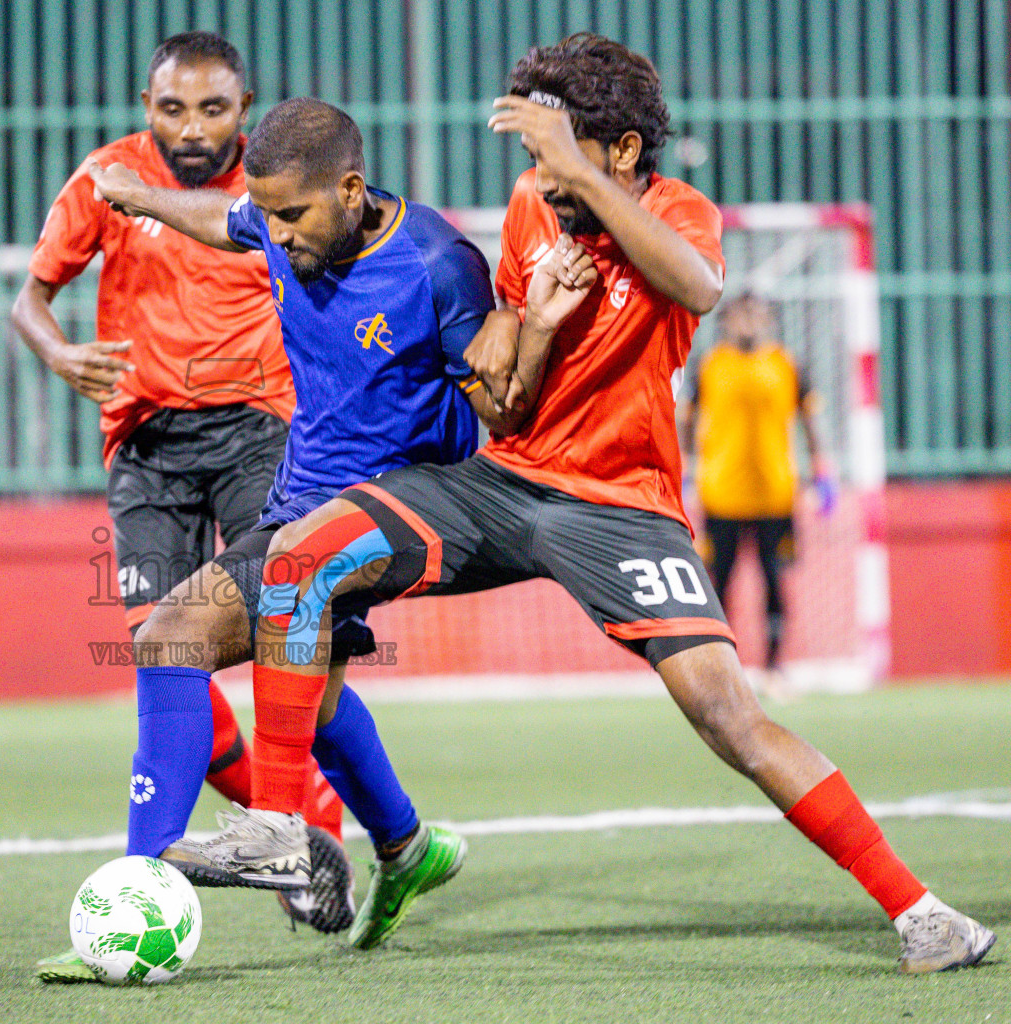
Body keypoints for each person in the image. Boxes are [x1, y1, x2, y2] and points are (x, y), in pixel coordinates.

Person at [177, 34, 995, 974]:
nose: (537, 176)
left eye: (555, 154)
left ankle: (922, 914)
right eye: (534, 157)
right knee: (296, 559)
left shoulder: (682, 213)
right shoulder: (534, 207)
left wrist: (577, 181)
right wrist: (530, 331)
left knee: (727, 715)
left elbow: (698, 285)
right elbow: (511, 394)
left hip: (620, 506)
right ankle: (282, 823)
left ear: (622, 152)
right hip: (503, 479)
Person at [85, 92, 518, 943]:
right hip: (296, 503)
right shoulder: (281, 228)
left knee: (180, 634)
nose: (276, 236)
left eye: (292, 215)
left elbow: (499, 413)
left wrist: (520, 331)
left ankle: (158, 889)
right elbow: (226, 219)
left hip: (385, 516)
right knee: (296, 697)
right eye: (270, 216)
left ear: (351, 190)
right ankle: (405, 844)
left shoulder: (437, 264)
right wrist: (144, 199)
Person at [12, 34, 352, 981]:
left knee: (290, 641)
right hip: (148, 447)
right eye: (173, 109)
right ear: (148, 104)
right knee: (169, 660)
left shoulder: (280, 192)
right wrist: (59, 353)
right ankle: (298, 843)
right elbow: (30, 301)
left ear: (246, 105)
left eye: (213, 110)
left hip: (259, 431)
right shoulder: (106, 178)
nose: (193, 129)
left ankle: (333, 833)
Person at [680, 292, 836, 686]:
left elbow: (810, 421)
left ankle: (774, 665)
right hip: (721, 495)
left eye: (756, 315)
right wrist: (684, 473)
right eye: (739, 315)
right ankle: (722, 668)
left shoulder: (787, 365)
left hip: (775, 495)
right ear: (726, 321)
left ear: (769, 319)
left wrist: (823, 472)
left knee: (774, 577)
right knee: (719, 583)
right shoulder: (710, 365)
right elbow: (685, 420)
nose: (747, 323)